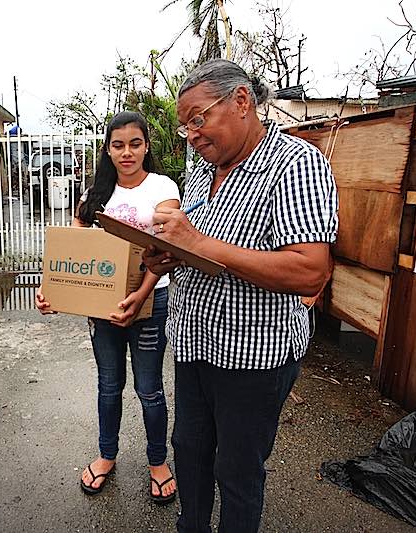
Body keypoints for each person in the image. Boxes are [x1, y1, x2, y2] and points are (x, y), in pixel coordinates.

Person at [144, 59, 338, 532]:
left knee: (237, 470)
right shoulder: (201, 167)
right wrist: (166, 256)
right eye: (184, 125)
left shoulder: (295, 164)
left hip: (254, 359)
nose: (191, 134)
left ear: (242, 101)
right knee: (188, 451)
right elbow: (196, 241)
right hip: (193, 346)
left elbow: (311, 270)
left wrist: (199, 245)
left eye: (198, 119)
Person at [35, 111, 181, 504]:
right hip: (103, 304)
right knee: (108, 385)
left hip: (152, 299)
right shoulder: (95, 194)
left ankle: (157, 462)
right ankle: (106, 455)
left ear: (147, 146)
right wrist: (53, 291)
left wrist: (141, 293)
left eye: (135, 143)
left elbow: (165, 249)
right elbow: (70, 254)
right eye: (118, 145)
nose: (127, 152)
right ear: (108, 149)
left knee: (149, 389)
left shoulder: (162, 187)